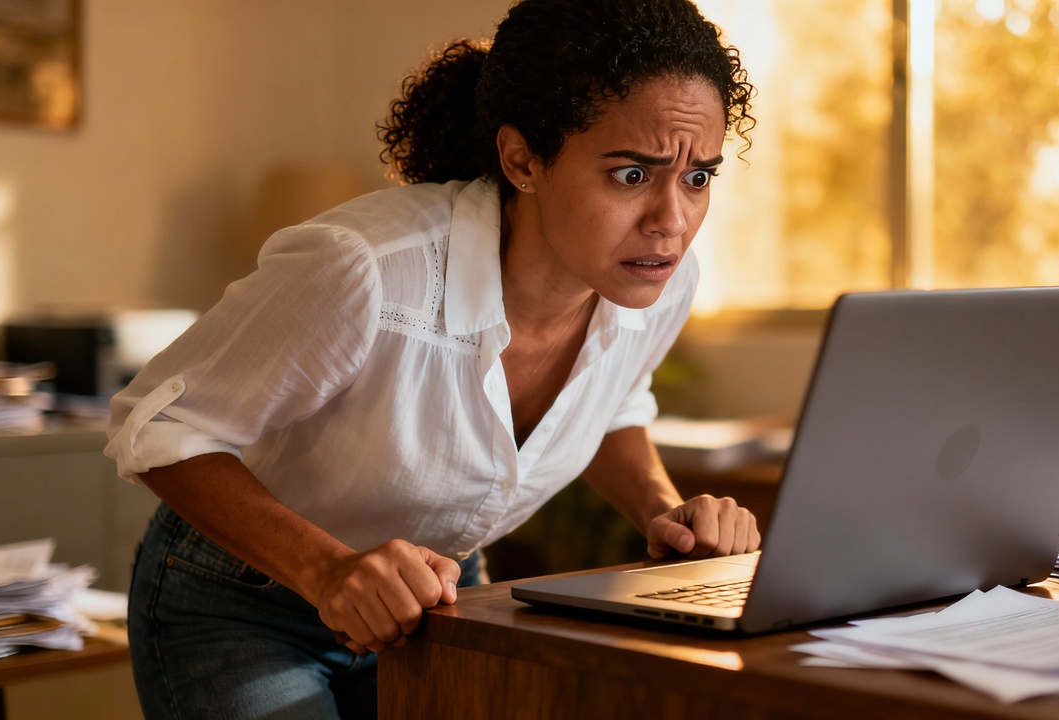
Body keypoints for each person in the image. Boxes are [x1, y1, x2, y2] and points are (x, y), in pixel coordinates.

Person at [105, 0, 759, 717]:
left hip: (435, 597)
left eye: (698, 178)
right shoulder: (371, 273)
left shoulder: (657, 284)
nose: (672, 220)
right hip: (239, 600)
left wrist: (665, 513)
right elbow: (160, 428)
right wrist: (328, 572)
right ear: (523, 159)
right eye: (632, 175)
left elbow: (610, 404)